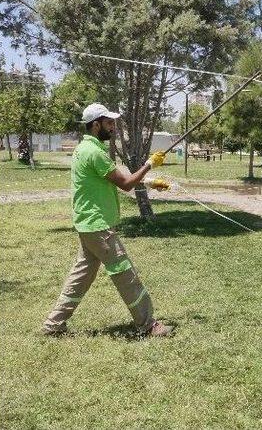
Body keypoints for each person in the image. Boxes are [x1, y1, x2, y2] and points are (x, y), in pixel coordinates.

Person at [43, 103, 174, 337]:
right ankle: (148, 325)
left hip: (88, 225)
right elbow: (125, 185)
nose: (113, 127)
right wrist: (149, 164)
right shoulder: (94, 152)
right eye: (109, 123)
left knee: (81, 277)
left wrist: (149, 182)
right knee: (126, 274)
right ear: (96, 125)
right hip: (99, 226)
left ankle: (53, 325)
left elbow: (112, 178)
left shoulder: (85, 149)